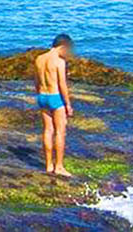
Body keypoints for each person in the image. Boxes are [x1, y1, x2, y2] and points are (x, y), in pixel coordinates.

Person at [34, 34, 75, 177]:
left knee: (47, 130)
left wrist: (39, 94)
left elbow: (37, 80)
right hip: (55, 97)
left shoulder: (39, 59)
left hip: (42, 96)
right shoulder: (59, 61)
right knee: (60, 132)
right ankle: (59, 166)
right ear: (63, 46)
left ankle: (48, 165)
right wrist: (68, 104)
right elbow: (62, 85)